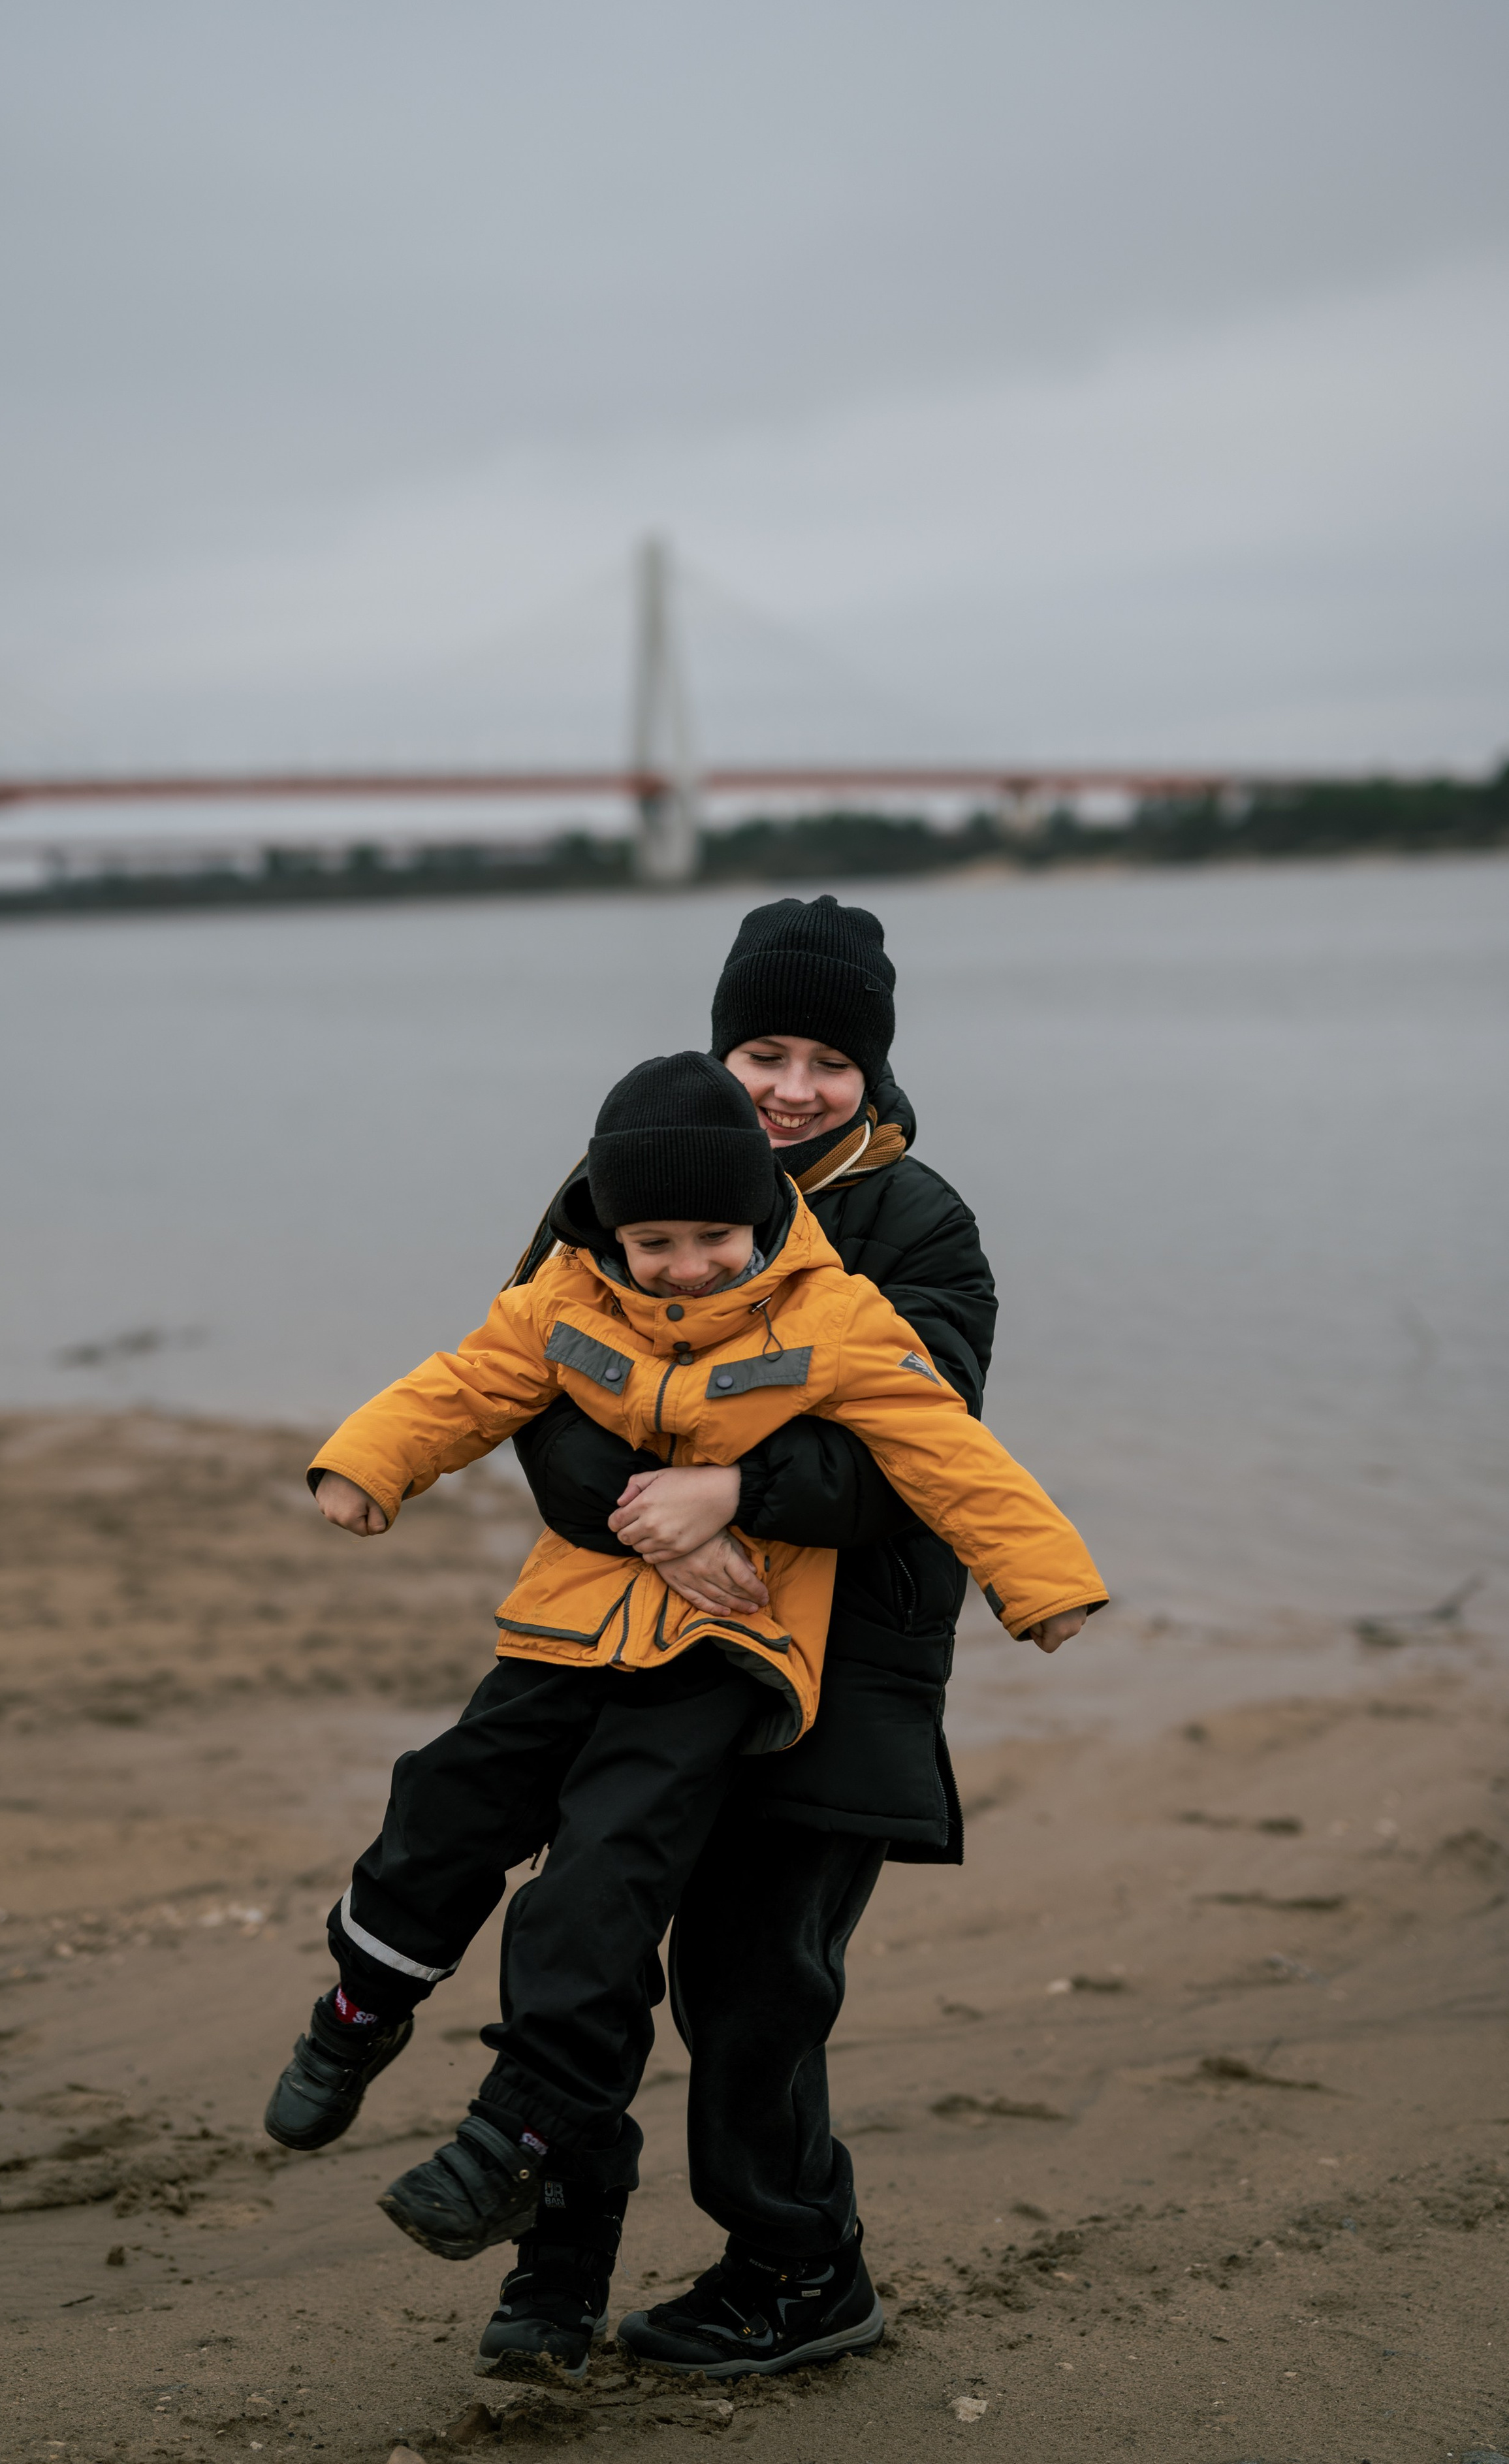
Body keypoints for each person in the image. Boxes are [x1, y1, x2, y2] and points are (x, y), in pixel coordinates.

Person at [264, 1037, 1104, 2373]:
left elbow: (938, 1449)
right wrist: (367, 1461)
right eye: (658, 1243)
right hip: (568, 1634)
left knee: (666, 1935)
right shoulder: (580, 1259)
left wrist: (1037, 1579)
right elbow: (482, 1383)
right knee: (450, 1809)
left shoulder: (868, 1272)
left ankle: (630, 2200)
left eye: (828, 1057)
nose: (687, 1265)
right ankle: (371, 2011)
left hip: (737, 1658)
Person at [494, 895, 1036, 2380]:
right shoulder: (626, 1172)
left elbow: (919, 1451)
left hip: (836, 1669)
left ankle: (798, 2267)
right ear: (719, 1045)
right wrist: (646, 1516)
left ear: (871, 1071)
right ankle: (552, 2269)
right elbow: (529, 1387)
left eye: (826, 1058)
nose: (790, 1084)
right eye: (761, 1048)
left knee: (751, 1980)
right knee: (580, 1942)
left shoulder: (916, 1220)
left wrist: (740, 1485)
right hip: (638, 1648)